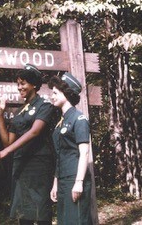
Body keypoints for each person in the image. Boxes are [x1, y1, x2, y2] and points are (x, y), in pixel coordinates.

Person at [0, 64, 55, 225]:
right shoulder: (19, 112)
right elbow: (8, 141)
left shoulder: (45, 105)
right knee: (23, 214)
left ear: (34, 84)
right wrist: (0, 116)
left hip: (38, 165)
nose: (20, 87)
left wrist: (5, 153)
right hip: (21, 165)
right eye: (18, 84)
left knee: (41, 213)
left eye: (23, 83)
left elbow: (35, 131)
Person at [48, 72, 92, 225]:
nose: (51, 96)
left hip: (75, 178)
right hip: (63, 180)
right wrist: (56, 183)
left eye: (55, 93)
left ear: (66, 94)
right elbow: (60, 155)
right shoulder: (61, 122)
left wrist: (79, 182)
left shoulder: (79, 119)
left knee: (78, 220)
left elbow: (84, 152)